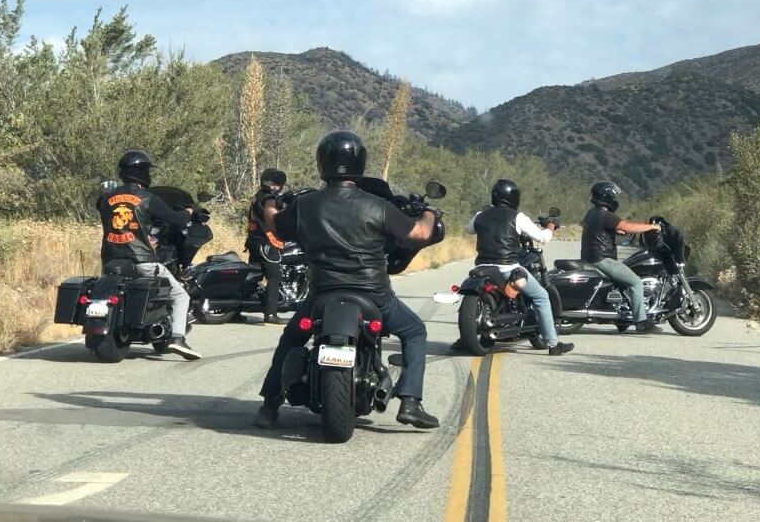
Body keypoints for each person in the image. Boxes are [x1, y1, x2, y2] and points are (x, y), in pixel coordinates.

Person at [254, 130, 440, 430]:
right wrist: (429, 213)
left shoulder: (305, 205)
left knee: (291, 339)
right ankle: (410, 402)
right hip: (374, 296)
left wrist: (269, 201)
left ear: (322, 162)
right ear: (360, 163)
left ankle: (268, 407)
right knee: (415, 331)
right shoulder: (378, 205)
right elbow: (420, 233)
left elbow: (274, 223)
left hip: (322, 295)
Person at [97, 151, 201, 360]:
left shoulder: (106, 199)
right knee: (181, 296)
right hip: (141, 261)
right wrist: (189, 211)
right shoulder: (148, 198)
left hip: (111, 261)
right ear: (143, 172)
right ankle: (177, 338)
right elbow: (178, 220)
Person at [464, 179, 574, 356]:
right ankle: (553, 344)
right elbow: (543, 238)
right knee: (541, 296)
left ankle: (464, 338)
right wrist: (551, 226)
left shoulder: (480, 215)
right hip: (507, 268)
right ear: (514, 197)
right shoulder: (518, 217)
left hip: (482, 267)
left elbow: (469, 229)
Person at [581, 181, 662, 333]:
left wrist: (615, 231)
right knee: (636, 283)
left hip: (592, 257)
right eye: (613, 196)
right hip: (602, 259)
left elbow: (598, 230)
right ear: (607, 197)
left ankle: (622, 318)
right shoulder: (606, 215)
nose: (615, 199)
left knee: (624, 281)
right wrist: (652, 227)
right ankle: (641, 322)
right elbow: (628, 226)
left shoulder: (592, 213)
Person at [247, 168, 287, 325]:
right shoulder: (270, 199)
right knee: (274, 276)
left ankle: (243, 306)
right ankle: (271, 314)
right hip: (266, 242)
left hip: (254, 240)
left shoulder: (257, 196)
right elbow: (274, 219)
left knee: (255, 276)